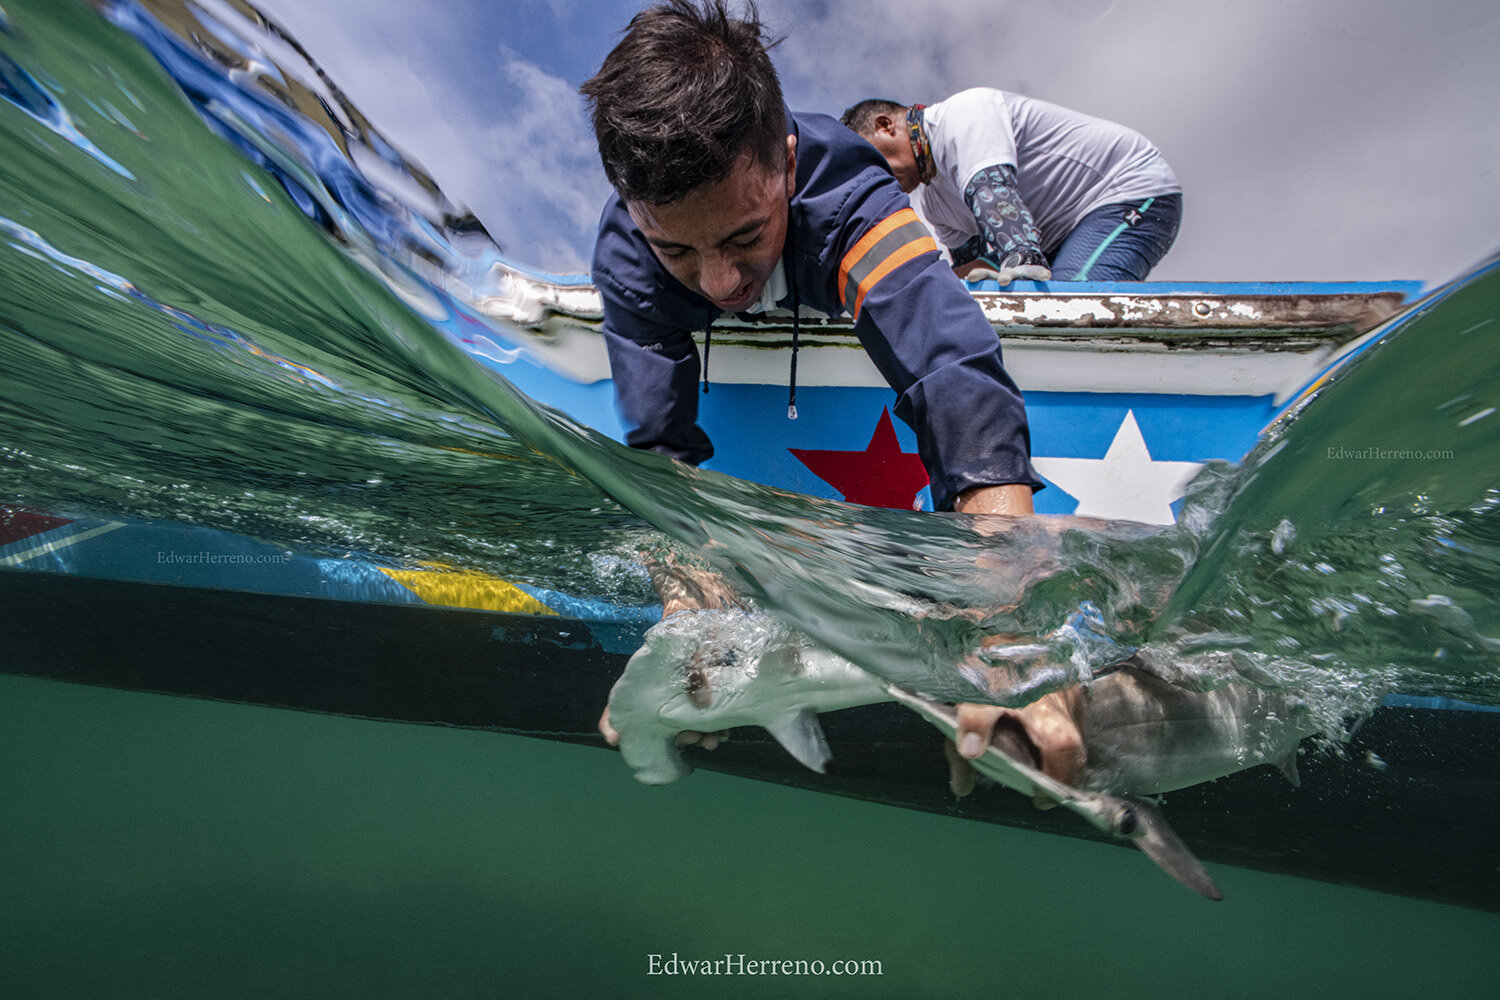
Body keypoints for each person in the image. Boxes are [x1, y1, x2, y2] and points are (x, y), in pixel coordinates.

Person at [580, 0, 1082, 788]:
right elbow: (662, 457)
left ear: (784, 161)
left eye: (746, 234)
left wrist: (1008, 630)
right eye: (677, 248)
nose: (721, 283)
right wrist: (693, 628)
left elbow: (950, 374)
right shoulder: (626, 255)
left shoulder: (848, 191)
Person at [841, 89, 1182, 283]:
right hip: (1063, 235)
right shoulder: (933, 203)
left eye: (871, 162)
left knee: (1071, 301)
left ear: (886, 126)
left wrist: (1021, 253)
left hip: (1128, 190)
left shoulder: (962, 115)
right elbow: (976, 268)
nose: (875, 180)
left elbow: (993, 192)